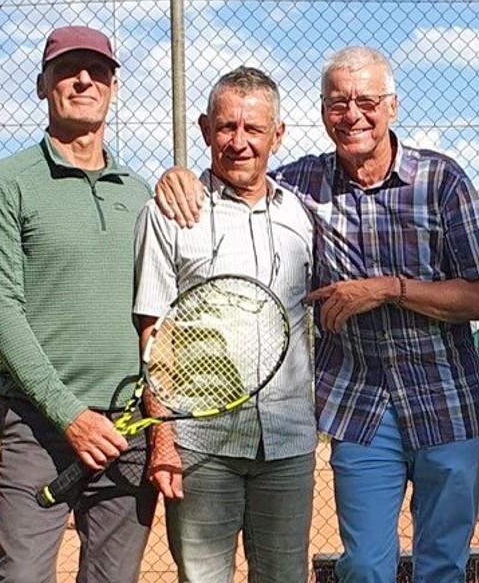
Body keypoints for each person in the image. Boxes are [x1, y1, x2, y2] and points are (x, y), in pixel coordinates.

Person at [155, 47, 479, 583]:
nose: (352, 115)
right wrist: (179, 176)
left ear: (392, 106)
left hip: (447, 404)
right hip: (361, 408)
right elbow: (242, 172)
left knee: (442, 566)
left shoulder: (441, 180)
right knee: (364, 566)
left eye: (367, 101)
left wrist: (387, 290)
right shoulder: (302, 186)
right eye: (338, 103)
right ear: (321, 113)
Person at [0, 25, 155, 583]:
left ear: (113, 87)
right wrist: (69, 414)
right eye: (68, 69)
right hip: (38, 424)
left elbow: (157, 310)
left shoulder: (139, 192)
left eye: (97, 71)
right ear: (43, 85)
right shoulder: (3, 184)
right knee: (21, 576)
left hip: (127, 427)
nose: (83, 80)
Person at [133, 66, 316, 582]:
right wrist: (163, 439)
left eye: (253, 129)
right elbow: (154, 335)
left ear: (277, 135)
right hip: (200, 444)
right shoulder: (169, 212)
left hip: (287, 442)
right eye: (226, 127)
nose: (239, 142)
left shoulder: (301, 215)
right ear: (204, 128)